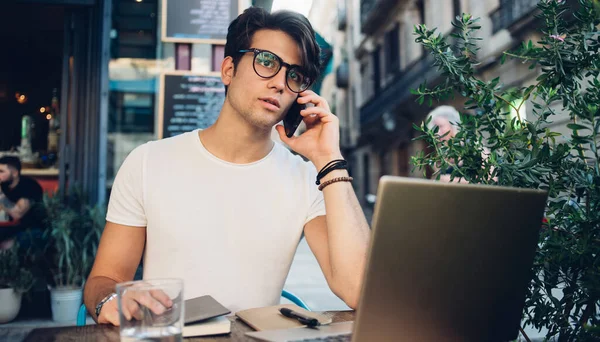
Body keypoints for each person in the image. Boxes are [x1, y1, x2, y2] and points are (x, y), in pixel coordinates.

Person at [84, 7, 371, 326]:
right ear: (228, 70)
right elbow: (104, 279)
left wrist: (329, 159)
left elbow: (360, 290)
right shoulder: (148, 161)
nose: (279, 83)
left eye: (294, 76)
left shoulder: (306, 178)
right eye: (266, 62)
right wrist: (111, 300)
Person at [0, 156, 44, 249]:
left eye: (1, 171)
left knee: (7, 245)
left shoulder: (29, 186)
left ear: (15, 173)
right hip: (13, 227)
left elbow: (18, 213)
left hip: (34, 229)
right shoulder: (4, 185)